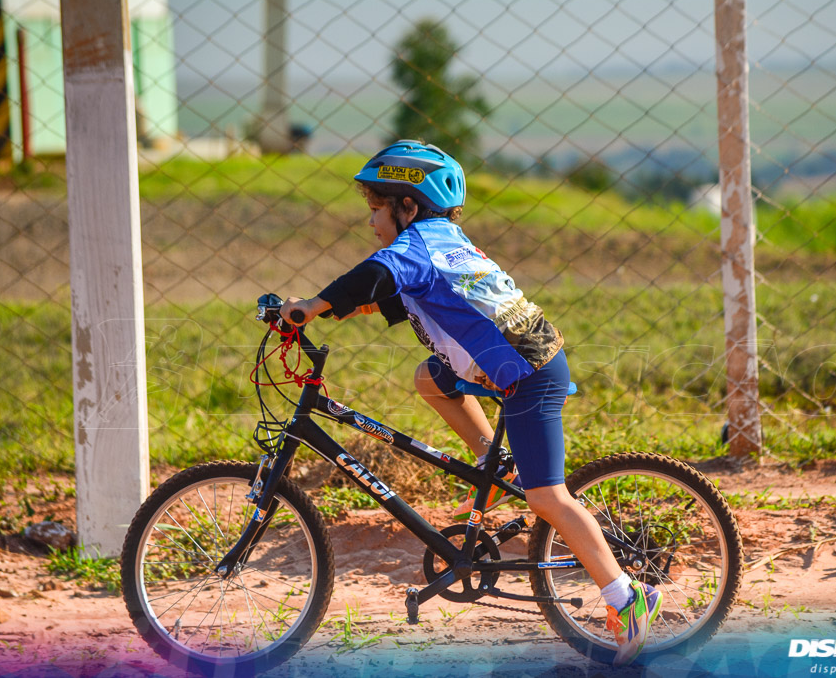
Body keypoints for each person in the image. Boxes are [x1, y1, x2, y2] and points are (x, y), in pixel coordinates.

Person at [281, 140, 661, 666]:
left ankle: (627, 596)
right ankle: (491, 455)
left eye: (375, 209)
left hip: (528, 376)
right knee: (429, 377)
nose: (370, 222)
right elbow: (391, 292)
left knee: (547, 497)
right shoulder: (440, 241)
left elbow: (374, 275)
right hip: (504, 364)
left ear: (407, 206)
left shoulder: (415, 248)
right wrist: (329, 310)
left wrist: (314, 304)